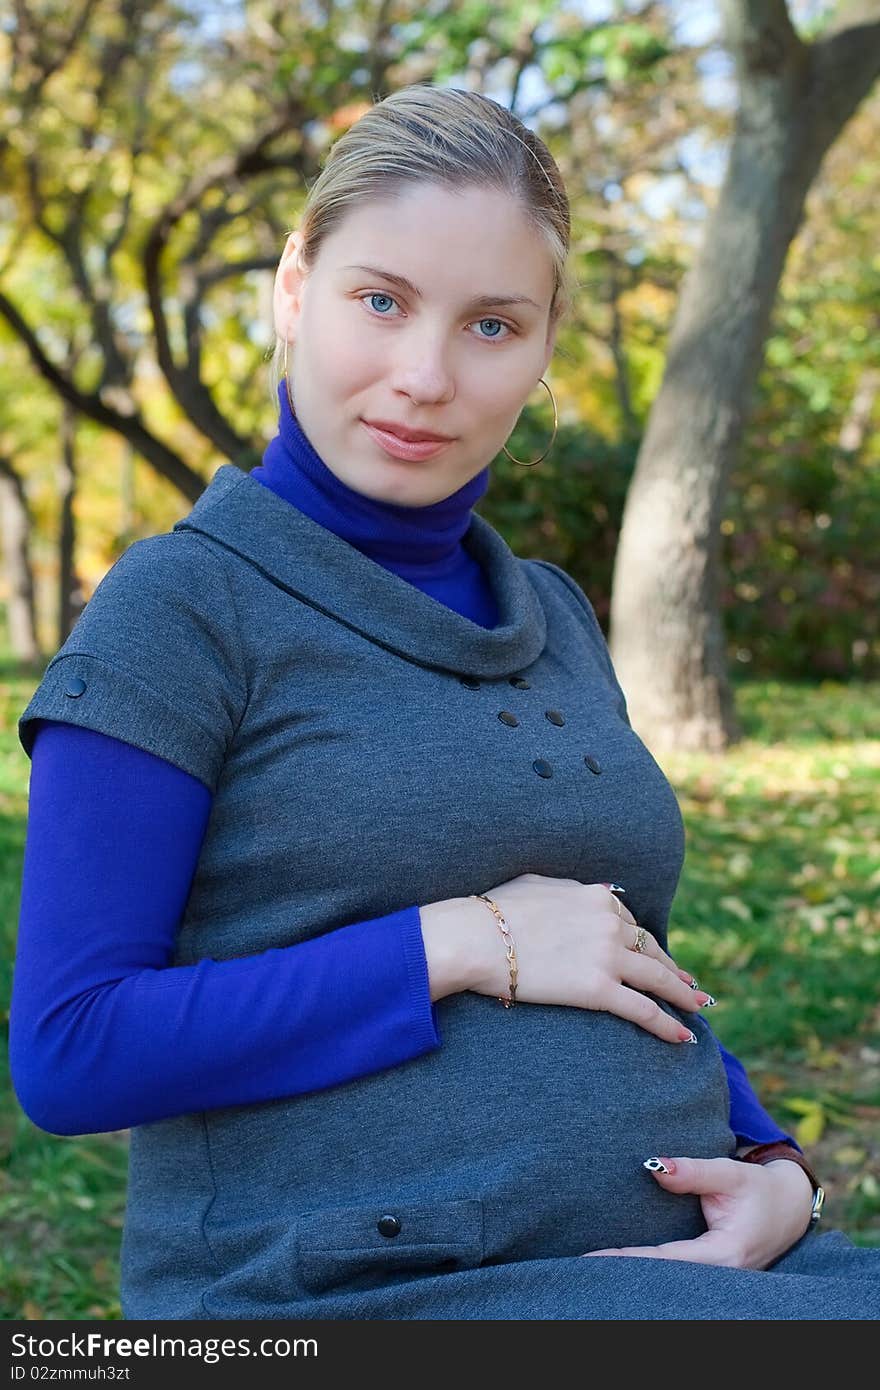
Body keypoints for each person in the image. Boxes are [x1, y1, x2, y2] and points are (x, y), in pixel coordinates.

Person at [10, 84, 879, 1321]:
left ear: (540, 350)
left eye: (490, 324)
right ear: (292, 289)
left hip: (692, 1265)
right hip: (352, 1287)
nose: (423, 375)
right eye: (381, 300)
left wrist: (770, 1158)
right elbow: (73, 1049)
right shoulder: (183, 608)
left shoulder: (551, 612)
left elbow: (622, 953)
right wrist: (460, 942)